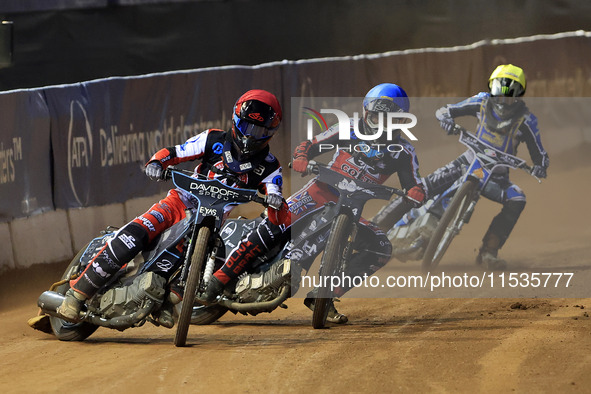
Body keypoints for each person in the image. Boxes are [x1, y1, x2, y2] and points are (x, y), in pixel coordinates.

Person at [57, 89, 288, 328]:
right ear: (235, 120)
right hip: (179, 202)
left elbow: (275, 192)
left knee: (207, 258)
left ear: (270, 133)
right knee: (136, 235)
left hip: (212, 222)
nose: (251, 136)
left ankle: (163, 302)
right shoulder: (213, 139)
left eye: (259, 131)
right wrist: (156, 162)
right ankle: (77, 294)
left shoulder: (270, 166)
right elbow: (176, 152)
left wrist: (274, 201)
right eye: (247, 127)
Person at [198, 83, 425, 323]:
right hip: (317, 194)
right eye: (378, 115)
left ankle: (324, 297)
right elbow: (309, 145)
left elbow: (414, 183)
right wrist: (301, 158)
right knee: (273, 225)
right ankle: (218, 280)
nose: (383, 123)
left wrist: (415, 192)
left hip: (352, 212)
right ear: (367, 112)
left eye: (391, 118)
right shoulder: (348, 128)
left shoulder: (403, 151)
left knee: (381, 247)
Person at [374, 64, 549, 270]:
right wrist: (446, 120)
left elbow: (539, 152)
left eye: (509, 93)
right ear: (491, 88)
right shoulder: (482, 101)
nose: (502, 98)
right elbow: (446, 110)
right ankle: (374, 228)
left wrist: (540, 166)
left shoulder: (526, 120)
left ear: (519, 94)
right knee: (419, 190)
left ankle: (488, 252)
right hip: (466, 162)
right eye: (498, 90)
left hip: (496, 177)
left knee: (517, 198)